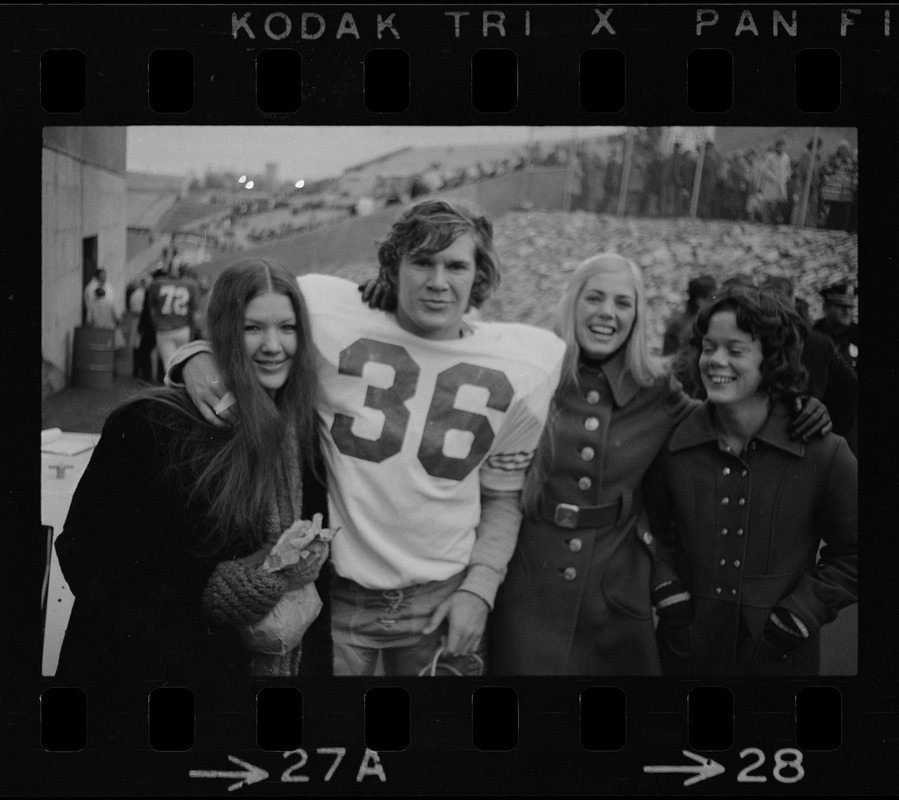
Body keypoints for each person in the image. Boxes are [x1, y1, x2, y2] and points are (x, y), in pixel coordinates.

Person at [170, 200, 566, 677]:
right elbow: (255, 324)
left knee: (432, 744)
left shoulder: (526, 363)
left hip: (439, 599)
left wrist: (479, 588)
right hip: (337, 597)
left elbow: (503, 498)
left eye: (455, 265)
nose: (438, 281)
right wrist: (197, 354)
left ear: (479, 273)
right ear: (393, 266)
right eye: (421, 262)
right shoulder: (329, 312)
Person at [487, 256, 831, 676]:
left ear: (637, 316)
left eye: (623, 302)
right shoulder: (530, 376)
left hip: (614, 595)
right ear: (571, 303)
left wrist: (791, 406)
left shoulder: (657, 391)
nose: (606, 313)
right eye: (593, 298)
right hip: (527, 586)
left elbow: (726, 418)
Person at [55, 259, 331, 678]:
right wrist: (204, 600)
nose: (273, 345)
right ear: (222, 331)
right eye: (252, 328)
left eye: (287, 328)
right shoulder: (150, 422)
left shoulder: (300, 431)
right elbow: (84, 551)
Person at [647, 286, 857, 676]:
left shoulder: (824, 452)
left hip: (780, 659)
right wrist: (667, 591)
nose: (715, 361)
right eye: (709, 347)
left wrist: (800, 614)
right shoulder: (673, 442)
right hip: (686, 651)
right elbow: (652, 527)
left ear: (772, 359)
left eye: (736, 350)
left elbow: (856, 551)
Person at [145, 262, 200, 374]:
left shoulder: (157, 283)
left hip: (164, 329)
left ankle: (172, 389)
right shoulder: (191, 285)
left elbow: (151, 309)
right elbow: (195, 311)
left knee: (169, 364)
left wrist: (156, 324)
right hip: (183, 329)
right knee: (183, 364)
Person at [814, 282, 858, 373]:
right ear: (826, 308)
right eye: (841, 306)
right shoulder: (814, 334)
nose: (847, 311)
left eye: (850, 307)